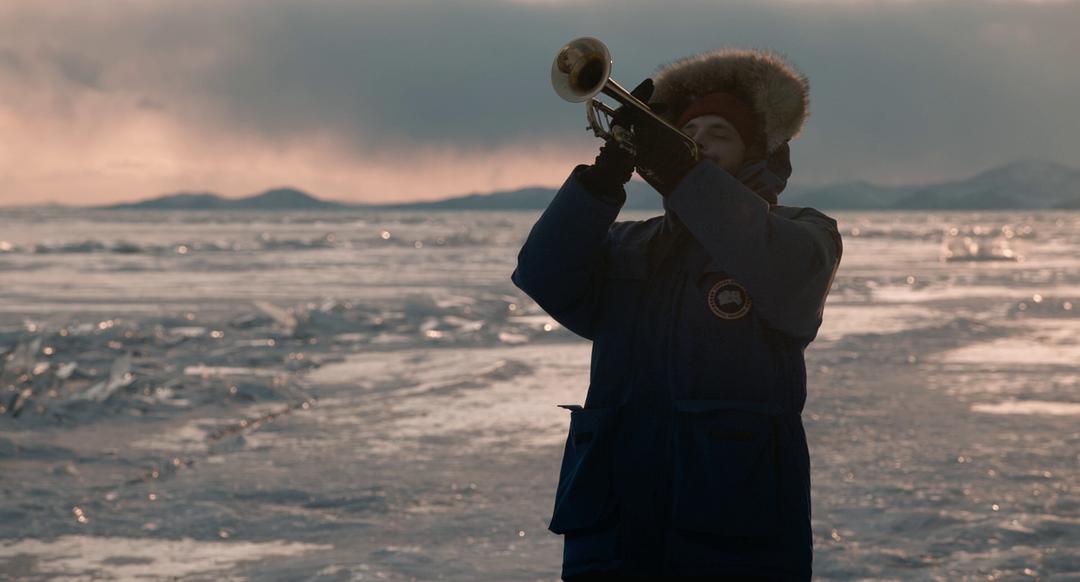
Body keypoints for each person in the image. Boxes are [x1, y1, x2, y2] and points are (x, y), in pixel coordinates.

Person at [511, 47, 842, 581]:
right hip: (612, 527)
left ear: (755, 152)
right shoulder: (629, 244)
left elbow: (780, 272)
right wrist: (603, 180)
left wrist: (685, 174)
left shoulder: (806, 233)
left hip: (733, 531)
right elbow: (543, 275)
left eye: (720, 133)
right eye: (689, 130)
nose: (700, 141)